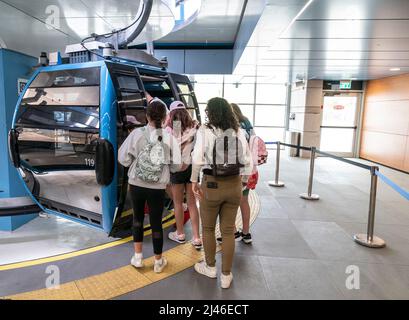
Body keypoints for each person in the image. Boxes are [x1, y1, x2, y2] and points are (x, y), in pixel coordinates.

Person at [191, 97, 253, 289]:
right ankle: (226, 275)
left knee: (208, 229)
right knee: (227, 230)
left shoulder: (205, 130)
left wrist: (194, 181)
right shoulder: (238, 131)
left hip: (211, 184)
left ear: (210, 112)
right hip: (234, 184)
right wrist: (241, 181)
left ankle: (210, 267)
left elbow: (197, 157)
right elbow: (248, 160)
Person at [118, 98, 181, 274]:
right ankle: (158, 261)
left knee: (137, 219)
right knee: (156, 223)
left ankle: (138, 257)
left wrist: (135, 160)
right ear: (165, 117)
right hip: (157, 187)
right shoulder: (169, 138)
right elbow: (176, 166)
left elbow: (123, 159)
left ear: (147, 116)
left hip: (136, 183)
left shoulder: (137, 134)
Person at [166, 101, 202, 250]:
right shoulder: (195, 127)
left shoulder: (169, 130)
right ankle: (196, 237)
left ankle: (180, 234)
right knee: (192, 203)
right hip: (192, 168)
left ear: (171, 113)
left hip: (176, 169)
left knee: (178, 203)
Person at [230, 103, 255, 244]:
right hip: (248, 167)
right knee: (244, 201)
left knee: (230, 203)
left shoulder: (232, 125)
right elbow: (254, 142)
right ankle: (246, 233)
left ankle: (233, 232)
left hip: (235, 170)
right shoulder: (247, 122)